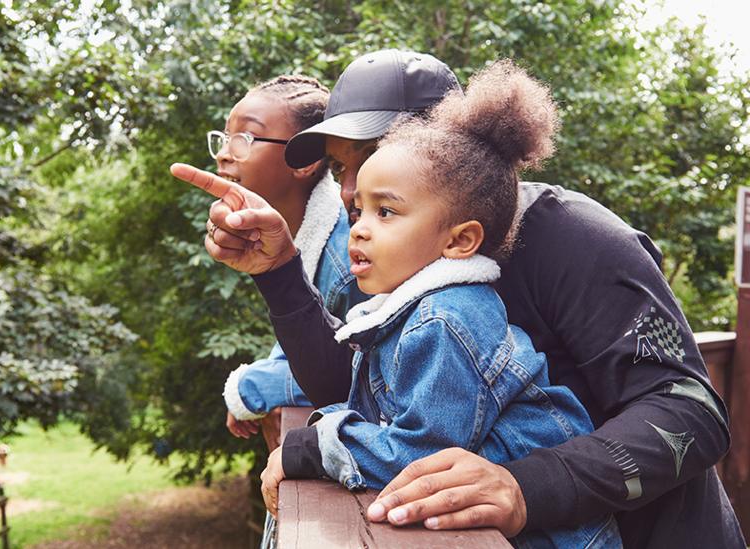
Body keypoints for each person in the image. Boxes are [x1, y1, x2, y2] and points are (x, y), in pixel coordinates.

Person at [171, 49, 744, 548]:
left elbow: (690, 412)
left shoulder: (576, 237)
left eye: (371, 154)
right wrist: (278, 272)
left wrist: (526, 486)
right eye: (342, 169)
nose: (349, 192)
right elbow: (353, 388)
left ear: (448, 144)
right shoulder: (414, 260)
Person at [273, 59, 620, 547]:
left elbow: (423, 450)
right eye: (348, 181)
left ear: (460, 240)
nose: (356, 217)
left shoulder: (445, 318)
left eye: (386, 209)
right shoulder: (412, 301)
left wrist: (315, 446)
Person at [206, 75, 367, 441]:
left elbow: (362, 368)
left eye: (245, 138)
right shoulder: (300, 237)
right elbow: (305, 331)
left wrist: (252, 387)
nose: (224, 153)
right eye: (225, 137)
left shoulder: (349, 256)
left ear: (305, 161)